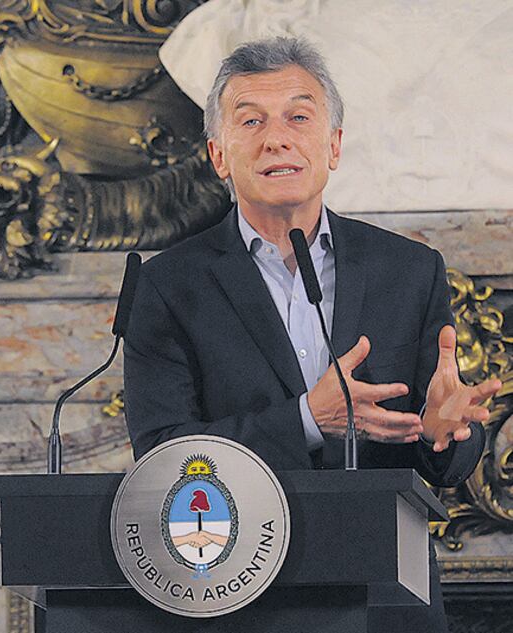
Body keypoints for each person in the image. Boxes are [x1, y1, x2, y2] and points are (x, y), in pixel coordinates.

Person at [123, 37, 502, 631]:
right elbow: (163, 455)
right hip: (234, 592)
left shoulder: (408, 269)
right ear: (220, 155)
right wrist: (306, 418)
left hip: (385, 597)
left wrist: (442, 434)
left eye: (299, 117)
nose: (277, 138)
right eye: (251, 121)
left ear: (333, 146)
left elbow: (449, 464)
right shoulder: (169, 285)